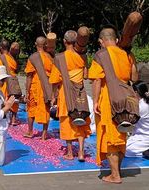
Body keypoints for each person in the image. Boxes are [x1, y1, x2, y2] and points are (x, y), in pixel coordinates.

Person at [88, 27, 138, 184]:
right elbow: (134, 77)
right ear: (116, 40)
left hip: (109, 99)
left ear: (101, 42)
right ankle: (117, 170)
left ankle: (115, 175)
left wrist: (95, 101)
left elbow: (96, 80)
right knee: (121, 135)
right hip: (127, 99)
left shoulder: (101, 55)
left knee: (110, 138)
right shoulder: (127, 54)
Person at [49, 30, 91, 161]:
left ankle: (70, 153)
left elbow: (55, 80)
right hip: (80, 92)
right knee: (80, 120)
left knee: (67, 121)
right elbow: (85, 75)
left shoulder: (60, 57)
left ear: (64, 41)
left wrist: (53, 96)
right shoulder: (82, 57)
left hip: (65, 93)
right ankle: (81, 152)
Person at [24, 36, 53, 140]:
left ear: (36, 44)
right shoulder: (50, 57)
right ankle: (44, 134)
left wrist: (27, 91)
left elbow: (29, 76)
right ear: (45, 45)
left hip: (35, 87)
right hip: (47, 87)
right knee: (46, 108)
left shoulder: (33, 57)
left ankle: (30, 131)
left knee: (31, 108)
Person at [126, 81, 149, 157]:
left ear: (135, 92)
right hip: (141, 136)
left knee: (127, 152)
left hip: (144, 138)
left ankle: (146, 153)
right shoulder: (144, 103)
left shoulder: (142, 106)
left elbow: (129, 122)